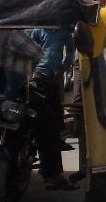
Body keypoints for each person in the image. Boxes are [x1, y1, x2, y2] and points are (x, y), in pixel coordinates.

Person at [27, 28, 77, 191]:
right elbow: (32, 54)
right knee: (47, 120)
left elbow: (70, 52)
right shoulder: (37, 31)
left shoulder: (63, 33)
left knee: (55, 112)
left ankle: (57, 139)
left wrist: (64, 66)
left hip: (56, 74)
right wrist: (33, 71)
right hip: (39, 74)